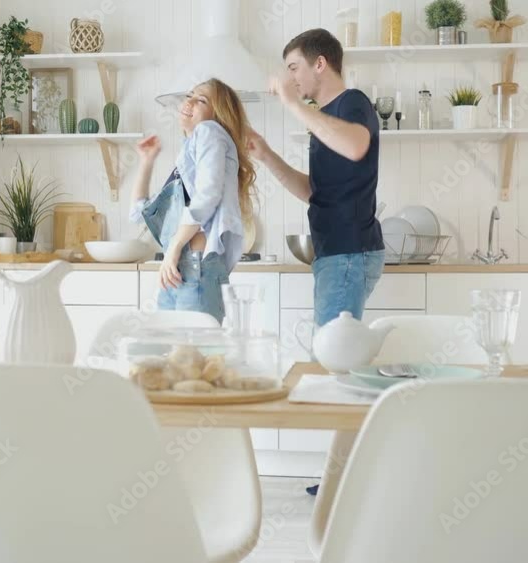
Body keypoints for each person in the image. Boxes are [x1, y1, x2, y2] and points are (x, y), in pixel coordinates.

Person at [247, 29, 385, 495]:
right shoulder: (323, 119)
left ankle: (344, 483)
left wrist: (292, 104)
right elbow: (314, 192)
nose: (290, 78)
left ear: (319, 63)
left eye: (294, 68)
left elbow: (357, 146)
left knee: (336, 369)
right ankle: (346, 477)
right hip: (336, 254)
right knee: (338, 368)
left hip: (348, 252)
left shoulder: (352, 104)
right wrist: (267, 155)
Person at [130, 78, 257, 324]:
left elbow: (208, 195)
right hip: (177, 269)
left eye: (201, 100)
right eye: (189, 96)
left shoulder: (209, 131)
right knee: (178, 349)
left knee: (191, 347)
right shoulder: (187, 157)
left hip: (194, 267)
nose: (189, 102)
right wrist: (147, 161)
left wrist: (174, 248)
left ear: (217, 115)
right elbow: (139, 213)